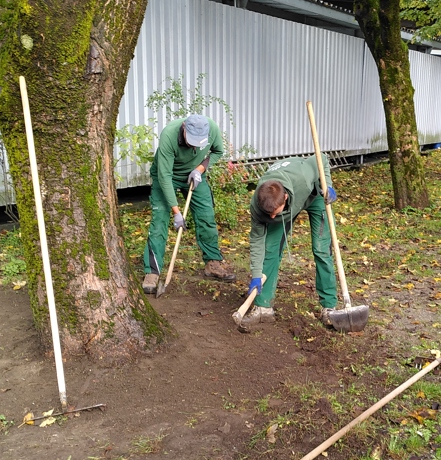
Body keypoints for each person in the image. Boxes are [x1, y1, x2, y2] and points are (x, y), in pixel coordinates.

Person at [142, 114, 235, 294]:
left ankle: (212, 263)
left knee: (206, 216)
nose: (194, 146)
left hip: (194, 175)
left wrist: (199, 169)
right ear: (184, 128)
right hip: (167, 176)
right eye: (191, 141)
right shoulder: (169, 135)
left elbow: (217, 152)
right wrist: (176, 212)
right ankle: (152, 272)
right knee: (159, 222)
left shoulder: (212, 129)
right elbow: (164, 177)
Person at [240, 155, 339, 326]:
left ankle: (329, 307)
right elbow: (257, 240)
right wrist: (256, 275)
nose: (271, 217)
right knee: (270, 249)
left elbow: (321, 158)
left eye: (275, 213)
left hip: (314, 194)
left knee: (321, 249)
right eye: (269, 214)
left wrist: (327, 185)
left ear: (284, 198)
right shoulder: (259, 205)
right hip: (286, 204)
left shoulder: (303, 175)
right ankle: (263, 307)